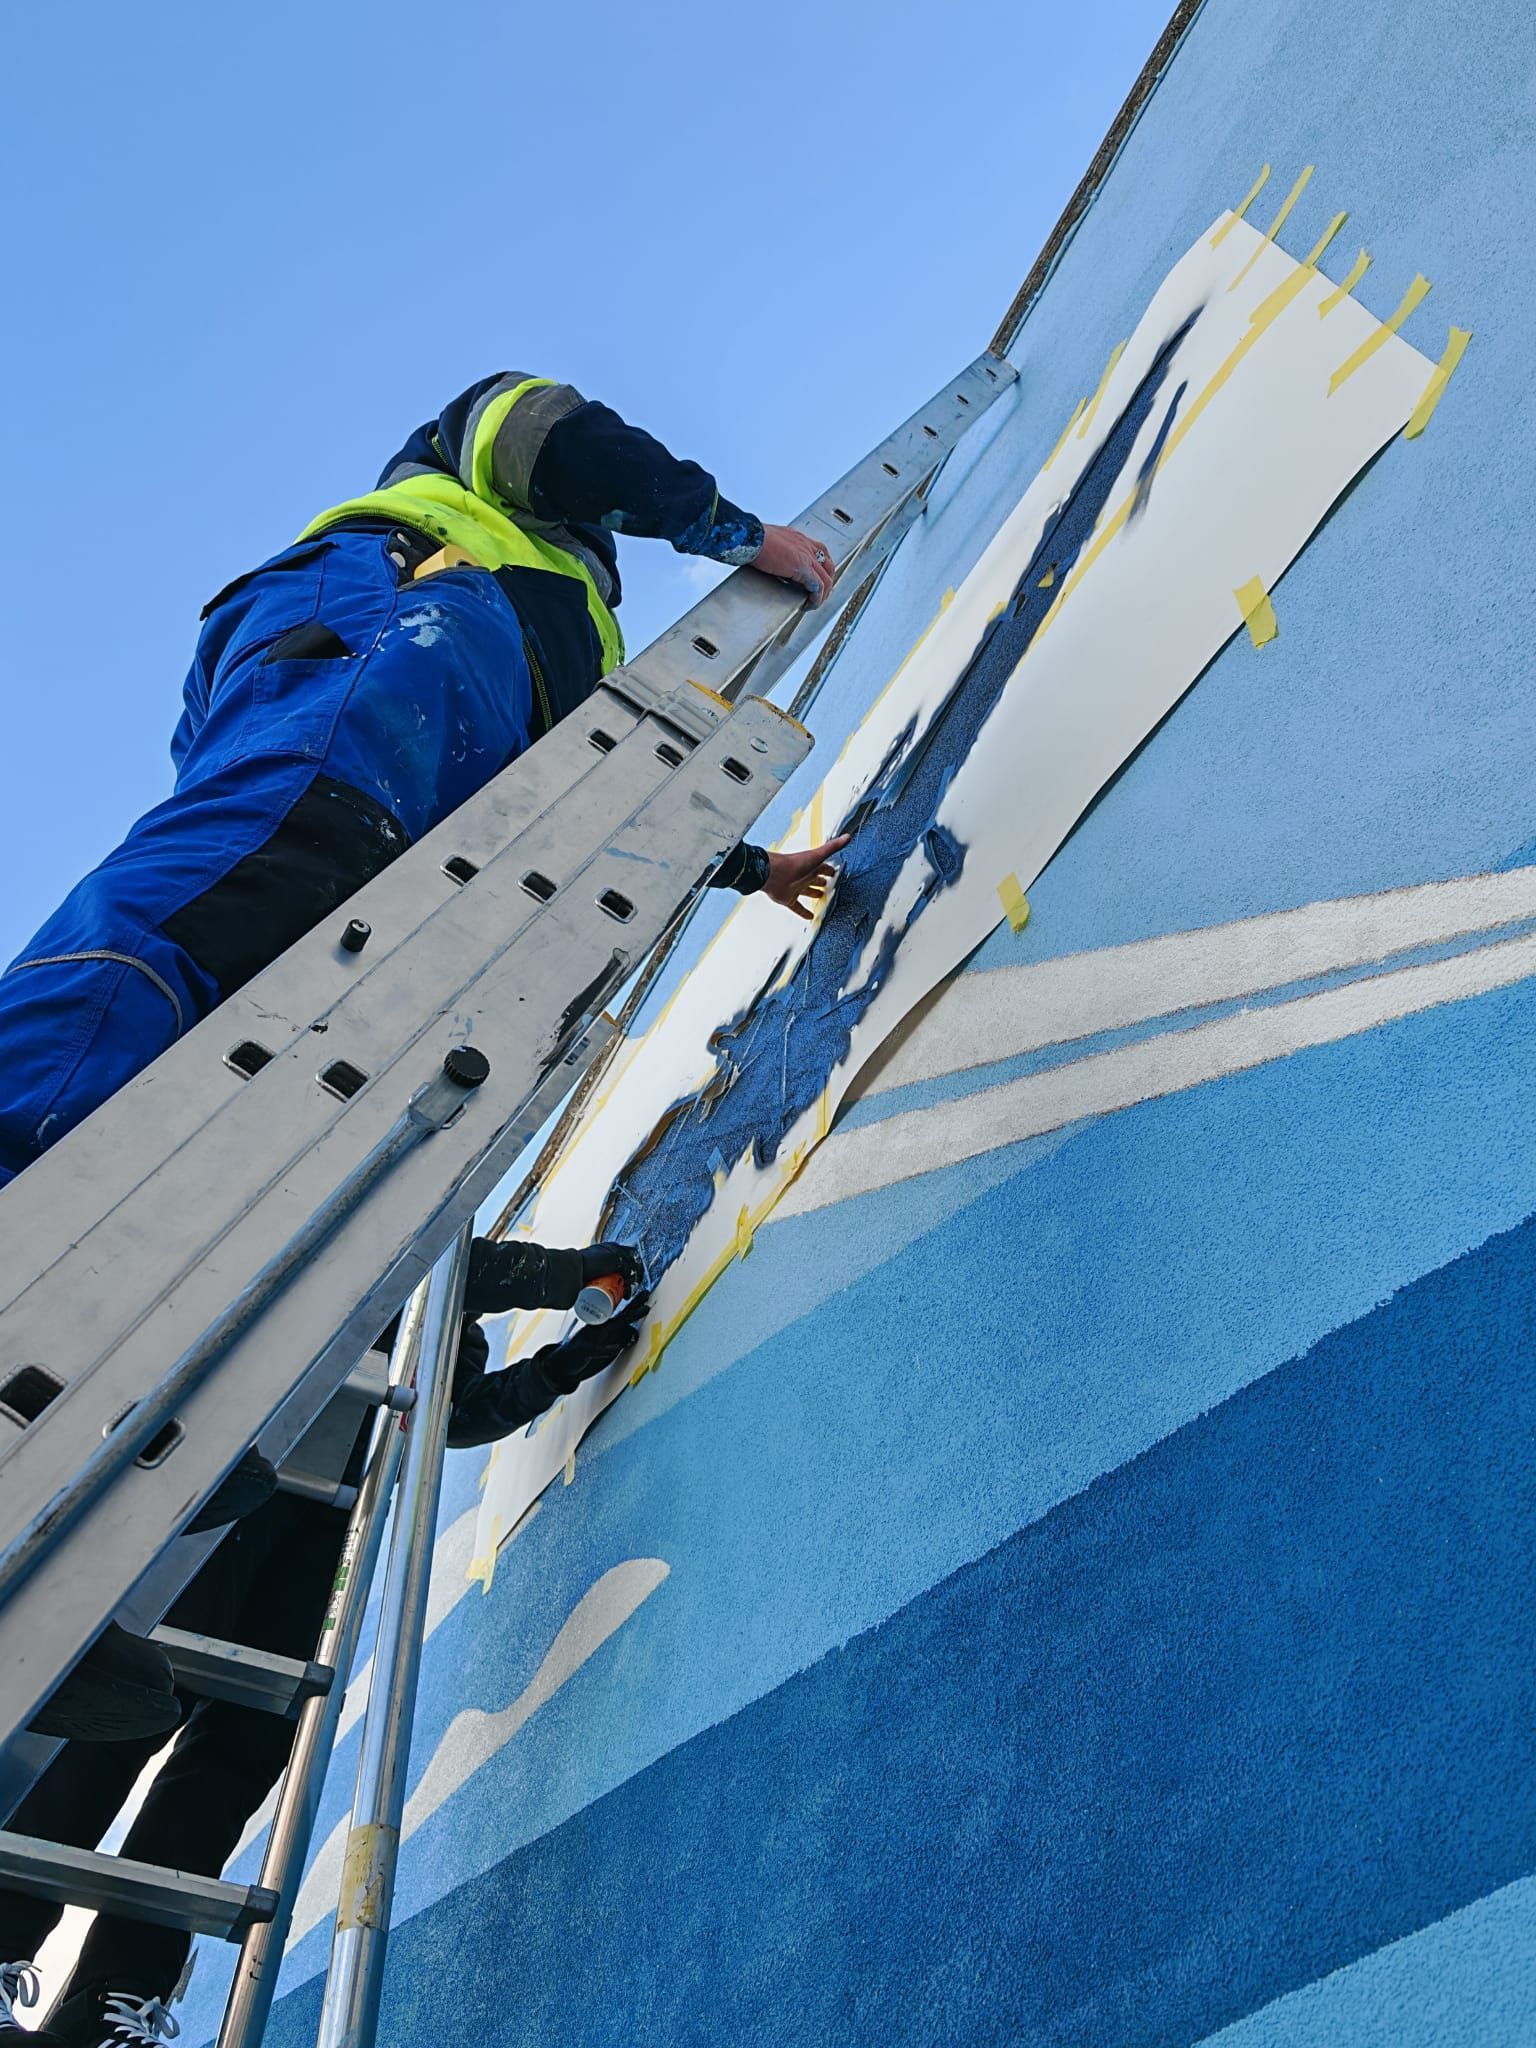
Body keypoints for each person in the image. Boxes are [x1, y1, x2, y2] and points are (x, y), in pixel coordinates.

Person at [2, 371, 850, 1743]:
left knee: (261, 1097)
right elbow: (552, 433)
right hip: (387, 615)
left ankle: (49, 1521)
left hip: (412, 681)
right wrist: (737, 532)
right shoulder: (483, 494)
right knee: (262, 880)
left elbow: (560, 798)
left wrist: (740, 863)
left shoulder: (547, 629)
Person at [0, 1236, 651, 2048]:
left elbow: (444, 1410)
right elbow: (407, 1254)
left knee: (230, 1762)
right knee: (113, 1721)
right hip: (230, 1481)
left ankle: (109, 2001)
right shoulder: (383, 1210)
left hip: (325, 1530)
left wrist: (554, 1371)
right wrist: (565, 1273)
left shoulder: (448, 1298)